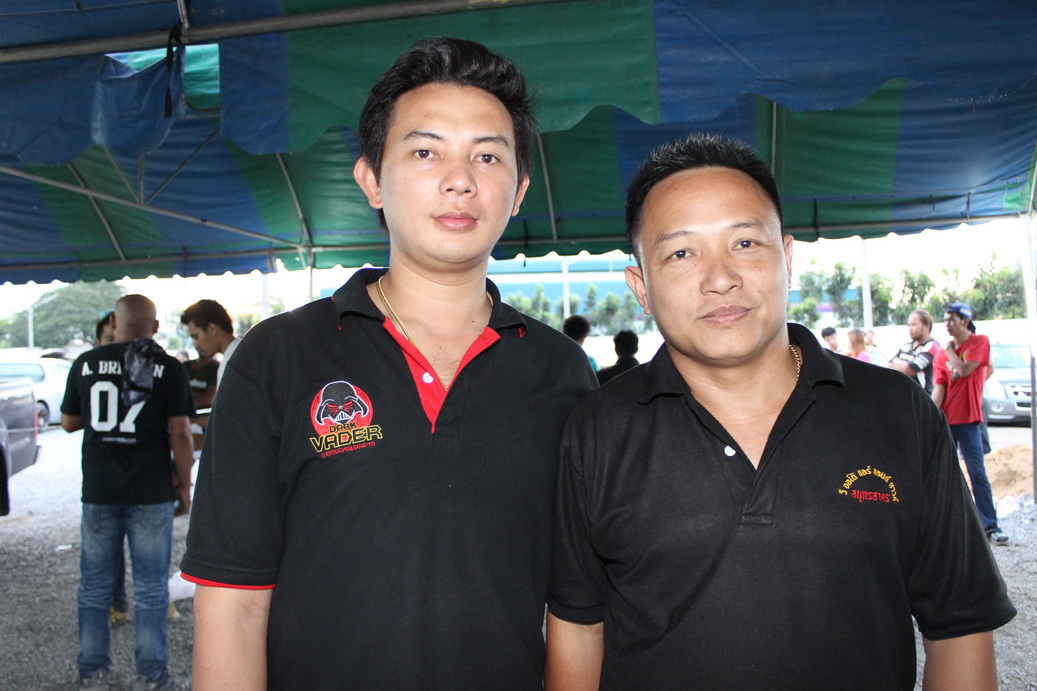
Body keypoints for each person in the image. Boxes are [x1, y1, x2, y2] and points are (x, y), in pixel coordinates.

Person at [181, 37, 597, 689]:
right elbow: (233, 605)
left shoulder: (561, 371)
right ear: (371, 180)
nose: (460, 179)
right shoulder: (277, 356)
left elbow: (576, 604)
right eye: (425, 151)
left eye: (487, 155)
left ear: (518, 191)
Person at [546, 133, 1014, 689]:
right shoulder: (598, 429)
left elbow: (960, 627)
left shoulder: (897, 411)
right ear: (640, 287)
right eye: (681, 253)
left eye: (745, 243)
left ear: (788, 259)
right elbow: (579, 628)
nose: (721, 278)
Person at [61, 294, 195, 689]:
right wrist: (184, 485)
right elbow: (181, 432)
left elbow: (68, 422)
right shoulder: (168, 368)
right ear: (155, 328)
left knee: (94, 586)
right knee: (151, 588)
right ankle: (152, 677)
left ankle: (93, 674)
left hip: (99, 490)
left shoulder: (85, 363)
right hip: (150, 490)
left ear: (113, 324)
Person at [932, 302, 1009, 545]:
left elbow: (967, 370)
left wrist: (949, 350)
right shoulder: (942, 354)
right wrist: (930, 416)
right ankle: (947, 530)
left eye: (952, 320)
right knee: (942, 476)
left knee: (977, 474)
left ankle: (990, 526)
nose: (947, 324)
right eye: (945, 320)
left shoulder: (979, 342)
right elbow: (940, 388)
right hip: (946, 421)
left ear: (965, 322)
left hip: (969, 421)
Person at [179, 299, 237, 388]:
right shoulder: (239, 354)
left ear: (211, 329)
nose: (196, 344)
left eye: (196, 336)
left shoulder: (233, 363)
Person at [889, 308, 940, 392]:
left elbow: (910, 369)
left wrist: (896, 361)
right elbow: (890, 365)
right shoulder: (907, 346)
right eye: (909, 325)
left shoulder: (932, 346)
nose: (910, 328)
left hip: (922, 396)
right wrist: (899, 364)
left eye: (914, 325)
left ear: (927, 326)